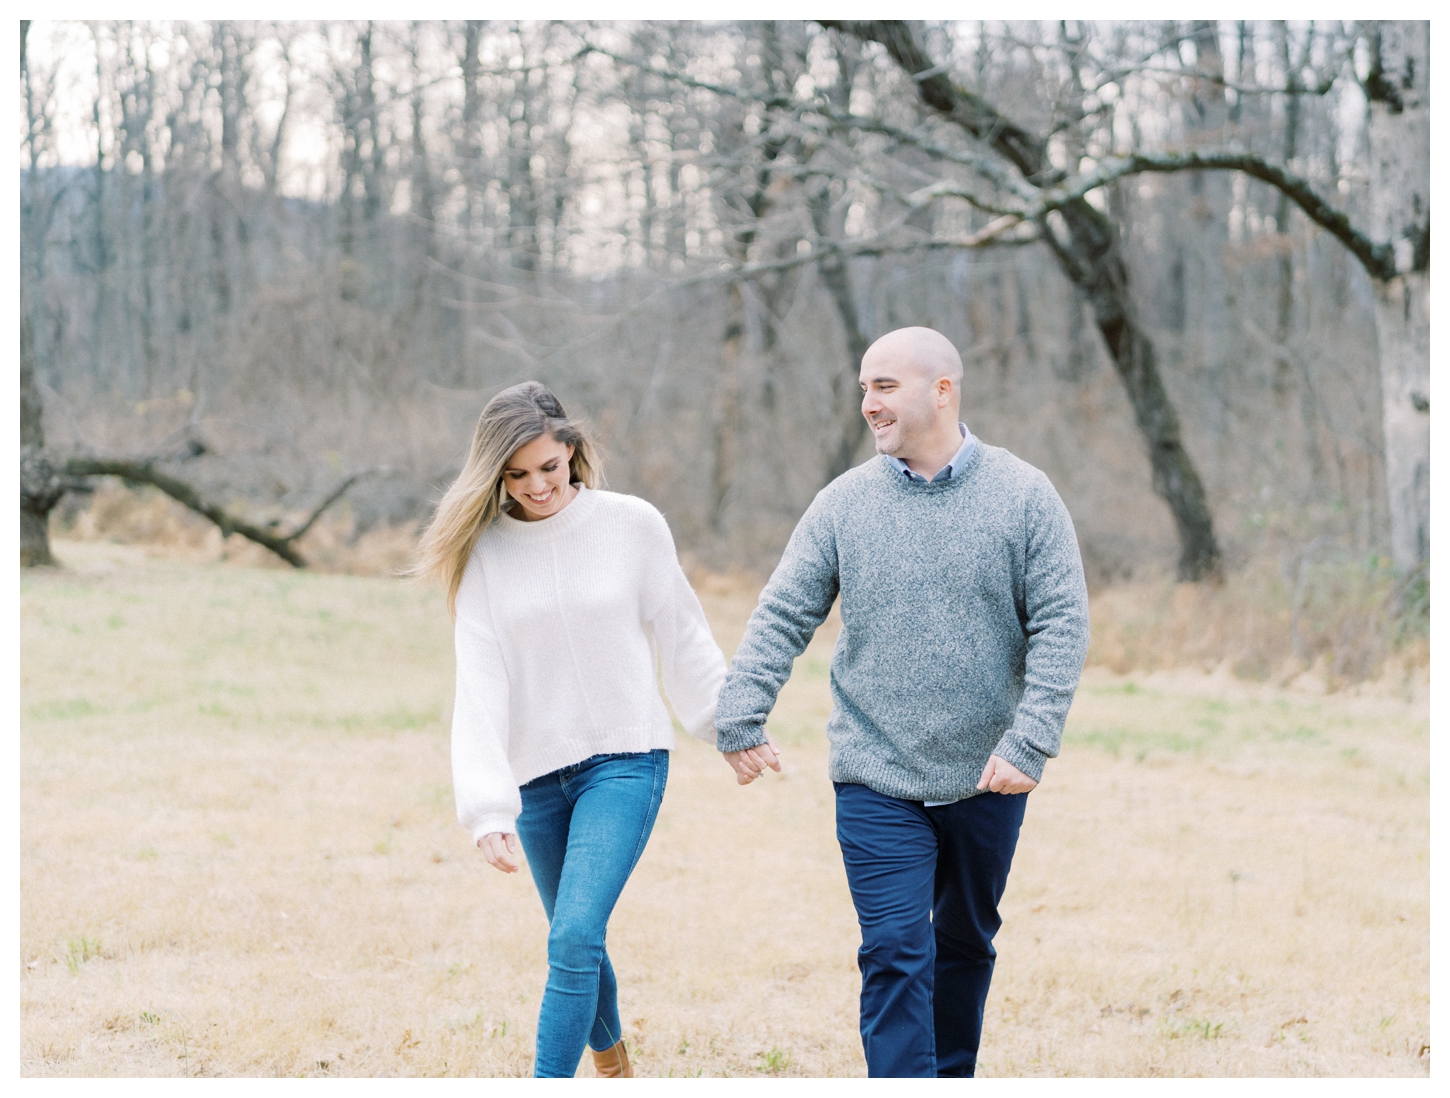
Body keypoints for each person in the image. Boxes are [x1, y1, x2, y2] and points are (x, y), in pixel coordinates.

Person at [714, 327, 1090, 1078]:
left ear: (941, 390)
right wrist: (739, 713)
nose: (868, 404)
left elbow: (1062, 622)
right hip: (875, 769)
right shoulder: (844, 504)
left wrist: (1029, 741)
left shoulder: (1023, 496)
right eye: (863, 388)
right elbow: (785, 610)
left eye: (884, 386)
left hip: (987, 772)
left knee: (964, 942)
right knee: (893, 948)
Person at [414, 381, 731, 1078]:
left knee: (576, 934)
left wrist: (726, 724)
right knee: (574, 941)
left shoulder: (633, 525)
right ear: (495, 475)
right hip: (536, 779)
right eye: (517, 475)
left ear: (573, 453)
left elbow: (681, 632)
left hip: (624, 760)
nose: (537, 487)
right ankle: (616, 1069)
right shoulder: (485, 555)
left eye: (549, 468)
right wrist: (488, 804)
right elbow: (481, 683)